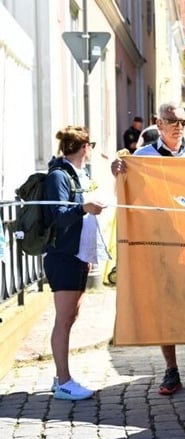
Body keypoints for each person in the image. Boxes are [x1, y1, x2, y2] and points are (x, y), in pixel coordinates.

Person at [111, 101, 185, 398]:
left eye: (183, 121)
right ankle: (171, 370)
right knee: (164, 307)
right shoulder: (142, 157)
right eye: (172, 121)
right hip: (159, 244)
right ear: (159, 122)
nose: (179, 126)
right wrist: (118, 174)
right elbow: (128, 198)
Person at [45, 126, 106, 400]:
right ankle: (64, 382)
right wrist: (83, 208)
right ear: (85, 147)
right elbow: (58, 215)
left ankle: (60, 376)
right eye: (91, 146)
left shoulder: (81, 174)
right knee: (63, 319)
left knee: (70, 317)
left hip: (79, 255)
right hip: (63, 257)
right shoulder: (59, 175)